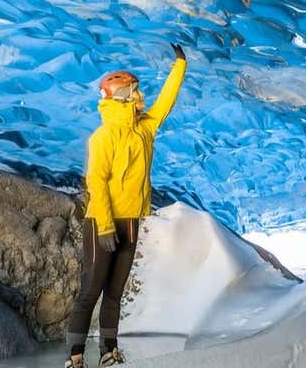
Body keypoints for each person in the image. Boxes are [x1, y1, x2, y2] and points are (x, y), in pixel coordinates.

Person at [65, 43, 187, 368]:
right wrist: (105, 227)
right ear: (121, 96)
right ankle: (74, 357)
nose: (140, 95)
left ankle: (109, 351)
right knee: (91, 291)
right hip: (101, 223)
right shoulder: (103, 137)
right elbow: (97, 182)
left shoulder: (144, 128)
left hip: (130, 221)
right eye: (134, 90)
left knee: (115, 293)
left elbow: (166, 102)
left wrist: (179, 67)